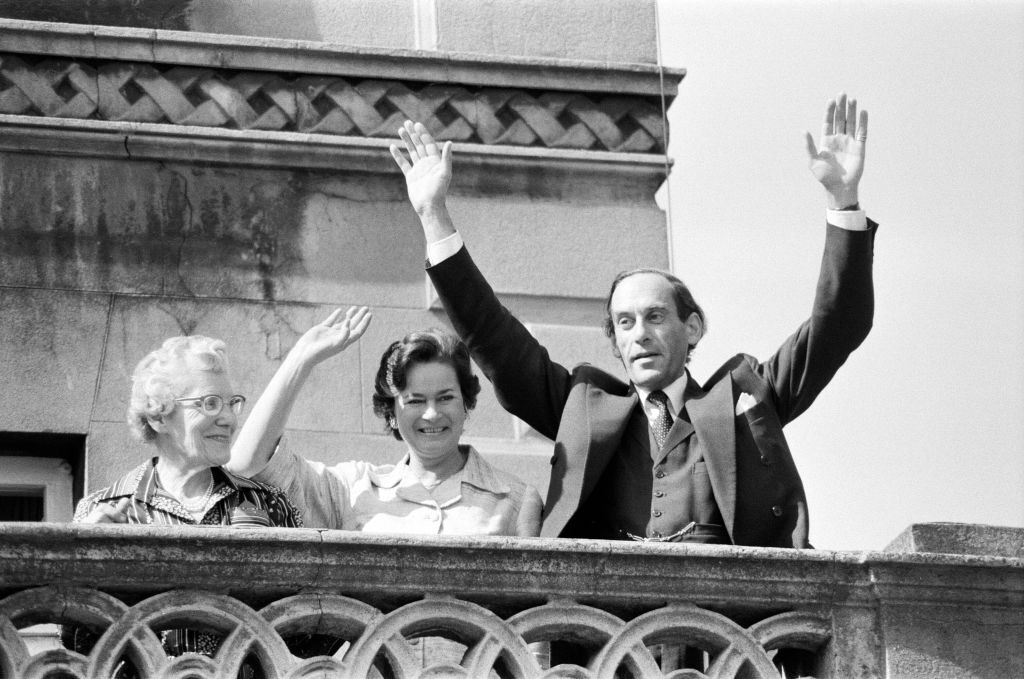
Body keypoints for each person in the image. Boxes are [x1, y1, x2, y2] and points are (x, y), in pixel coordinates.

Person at [389, 93, 876, 548]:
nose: (639, 333)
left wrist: (843, 203)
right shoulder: (581, 406)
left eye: (655, 316)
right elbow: (493, 337)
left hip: (727, 628)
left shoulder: (741, 396)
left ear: (693, 328)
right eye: (624, 323)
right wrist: (434, 214)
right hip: (611, 632)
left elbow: (837, 326)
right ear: (614, 341)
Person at [68, 335, 303, 675]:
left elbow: (308, 632)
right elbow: (76, 650)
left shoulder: (268, 503)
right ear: (160, 417)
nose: (229, 419)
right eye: (209, 403)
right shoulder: (103, 509)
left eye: (232, 402)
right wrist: (85, 567)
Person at [228, 307, 543, 537]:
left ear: (466, 403)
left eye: (445, 397)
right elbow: (248, 463)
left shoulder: (516, 498)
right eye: (415, 400)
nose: (432, 414)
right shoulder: (352, 489)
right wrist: (301, 359)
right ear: (391, 412)